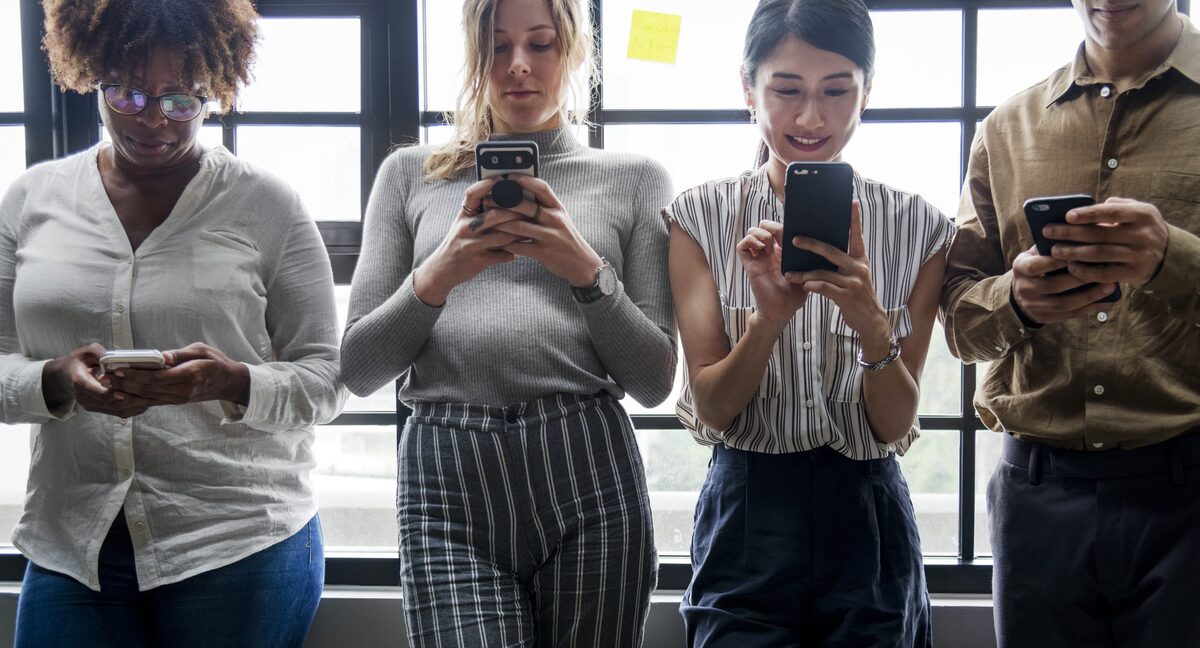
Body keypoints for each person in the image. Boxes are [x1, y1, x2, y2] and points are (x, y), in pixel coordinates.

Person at [1, 1, 346, 646]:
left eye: (181, 98)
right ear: (91, 73)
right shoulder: (31, 200)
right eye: (127, 92)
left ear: (215, 88)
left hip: (237, 540)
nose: (153, 118)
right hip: (73, 543)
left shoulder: (266, 203)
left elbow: (327, 379)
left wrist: (230, 382)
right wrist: (53, 379)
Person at [338, 0, 676, 644]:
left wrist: (584, 269)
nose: (518, 66)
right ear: (474, 53)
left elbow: (656, 381)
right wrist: (440, 274)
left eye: (541, 45)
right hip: (448, 476)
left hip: (588, 471)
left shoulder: (635, 179)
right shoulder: (409, 175)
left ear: (575, 52)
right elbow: (358, 369)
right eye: (497, 47)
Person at [665, 0, 953, 645]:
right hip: (747, 503)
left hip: (868, 507)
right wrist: (767, 322)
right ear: (748, 89)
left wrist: (871, 324)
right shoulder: (699, 215)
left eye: (836, 91)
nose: (810, 118)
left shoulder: (921, 227)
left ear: (867, 92)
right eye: (786, 90)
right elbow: (712, 411)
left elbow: (896, 424)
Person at [940, 0, 1200, 645]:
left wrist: (1175, 260)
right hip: (1036, 497)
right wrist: (1017, 301)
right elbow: (958, 320)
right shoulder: (1006, 127)